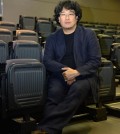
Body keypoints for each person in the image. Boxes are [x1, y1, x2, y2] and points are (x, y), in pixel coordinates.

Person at [36, 0, 101, 134]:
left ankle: (46, 129)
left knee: (77, 88)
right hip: (59, 75)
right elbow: (47, 61)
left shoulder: (88, 34)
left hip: (84, 77)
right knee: (54, 93)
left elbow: (95, 61)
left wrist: (76, 72)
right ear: (58, 18)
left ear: (77, 17)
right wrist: (67, 72)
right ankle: (53, 130)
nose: (66, 17)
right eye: (63, 14)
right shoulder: (52, 38)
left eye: (70, 14)